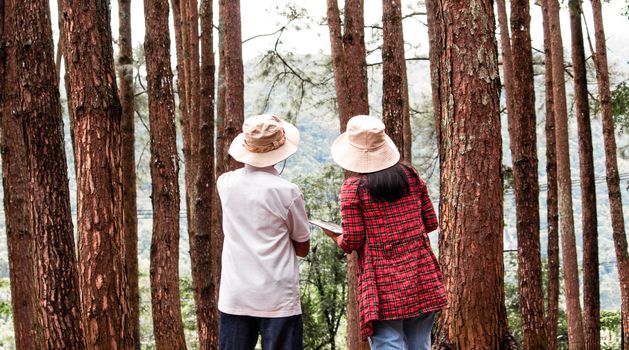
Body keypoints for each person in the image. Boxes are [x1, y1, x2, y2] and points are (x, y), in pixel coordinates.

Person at [322, 115, 447, 349]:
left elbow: (353, 239)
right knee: (421, 344)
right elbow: (430, 222)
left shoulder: (354, 189)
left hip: (382, 280)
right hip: (421, 274)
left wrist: (337, 237)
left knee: (388, 343)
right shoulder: (411, 176)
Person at [217, 114, 310, 350]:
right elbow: (302, 247)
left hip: (235, 293)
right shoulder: (288, 192)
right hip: (278, 296)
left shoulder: (225, 183)